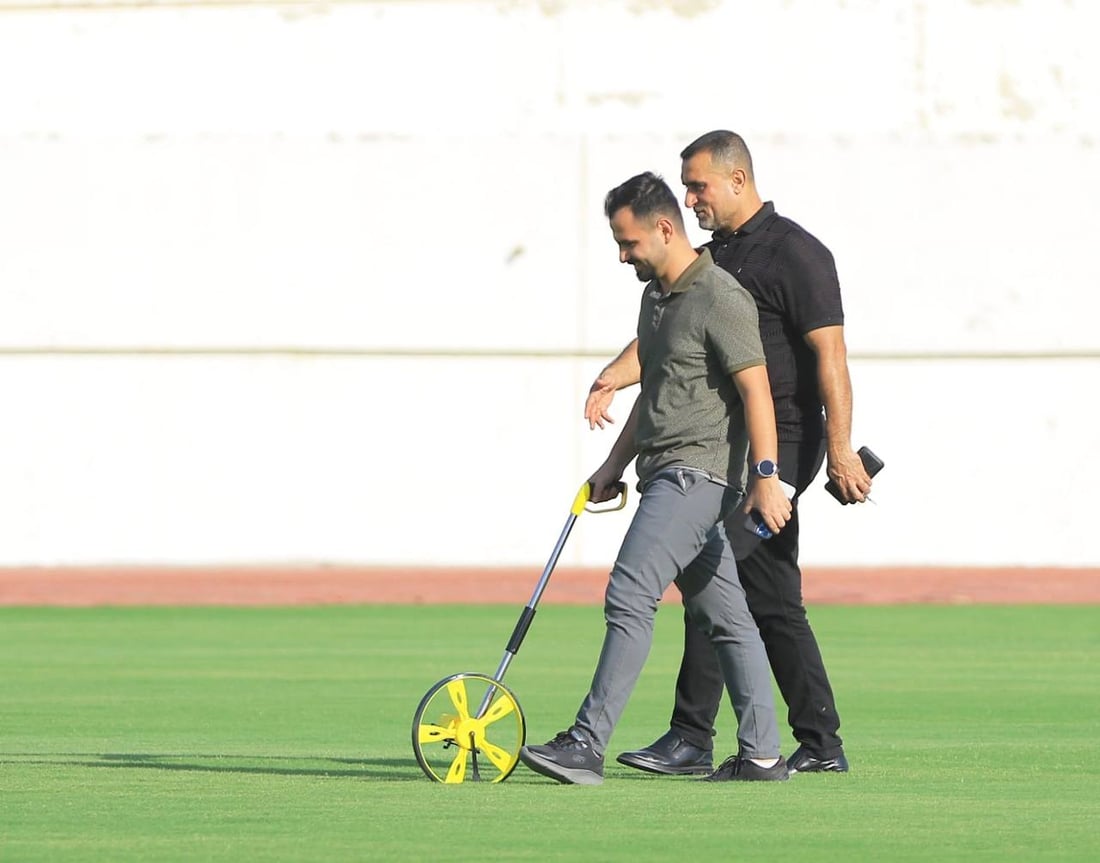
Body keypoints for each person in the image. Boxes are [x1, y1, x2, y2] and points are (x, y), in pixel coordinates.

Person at [585, 130, 872, 776]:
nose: (690, 199)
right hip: (733, 442)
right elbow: (674, 341)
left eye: (699, 185)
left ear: (738, 180)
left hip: (785, 441)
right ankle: (819, 742)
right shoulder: (710, 261)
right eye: (685, 187)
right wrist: (615, 373)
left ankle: (692, 733)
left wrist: (839, 447)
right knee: (766, 593)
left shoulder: (798, 255)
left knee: (714, 575)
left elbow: (831, 358)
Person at [518, 171, 793, 785]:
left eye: (629, 243)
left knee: (629, 593)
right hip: (663, 473)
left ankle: (587, 744)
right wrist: (612, 467)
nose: (622, 256)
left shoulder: (720, 295)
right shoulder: (658, 300)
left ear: (665, 229)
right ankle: (763, 755)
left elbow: (757, 392)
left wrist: (766, 476)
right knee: (728, 617)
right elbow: (656, 395)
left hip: (695, 477)